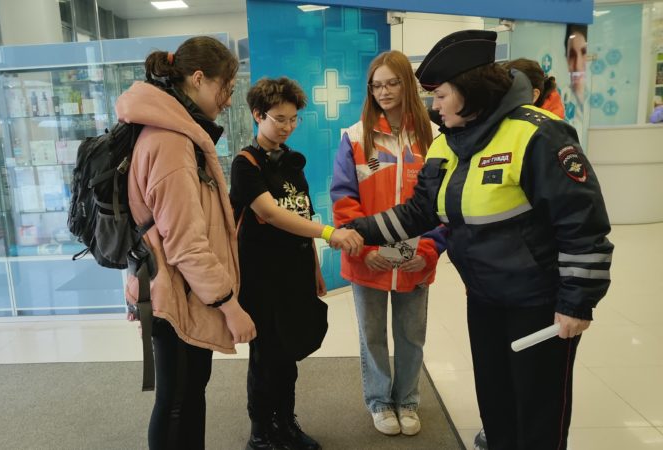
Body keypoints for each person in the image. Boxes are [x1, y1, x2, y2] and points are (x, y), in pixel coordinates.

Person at [343, 30, 614, 450]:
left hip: (538, 302)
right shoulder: (447, 143)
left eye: (442, 95)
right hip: (484, 298)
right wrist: (358, 232)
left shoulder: (537, 135)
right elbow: (420, 211)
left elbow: (582, 224)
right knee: (496, 403)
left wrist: (578, 301)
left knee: (538, 411)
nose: (433, 106)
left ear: (470, 90)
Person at [115, 36, 257, 450]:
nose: (228, 100)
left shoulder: (173, 135)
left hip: (180, 290)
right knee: (178, 400)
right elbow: (186, 244)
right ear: (198, 79)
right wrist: (230, 306)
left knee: (188, 394)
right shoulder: (171, 143)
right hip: (175, 293)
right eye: (225, 88)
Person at [230, 77, 363, 450]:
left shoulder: (291, 161)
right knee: (265, 355)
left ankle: (286, 424)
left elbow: (302, 210)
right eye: (279, 119)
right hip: (261, 276)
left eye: (293, 120)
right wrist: (328, 233)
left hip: (295, 271)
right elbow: (270, 214)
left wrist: (315, 269)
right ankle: (261, 431)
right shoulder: (245, 164)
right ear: (258, 115)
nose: (287, 127)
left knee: (287, 353)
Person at [330, 50, 446, 437]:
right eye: (376, 85)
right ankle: (380, 400)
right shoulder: (355, 136)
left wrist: (430, 249)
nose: (384, 91)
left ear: (407, 84)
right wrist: (365, 248)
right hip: (368, 259)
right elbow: (344, 200)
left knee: (412, 335)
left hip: (417, 259)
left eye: (392, 82)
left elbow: (445, 203)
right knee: (373, 335)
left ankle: (408, 399)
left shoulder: (434, 136)